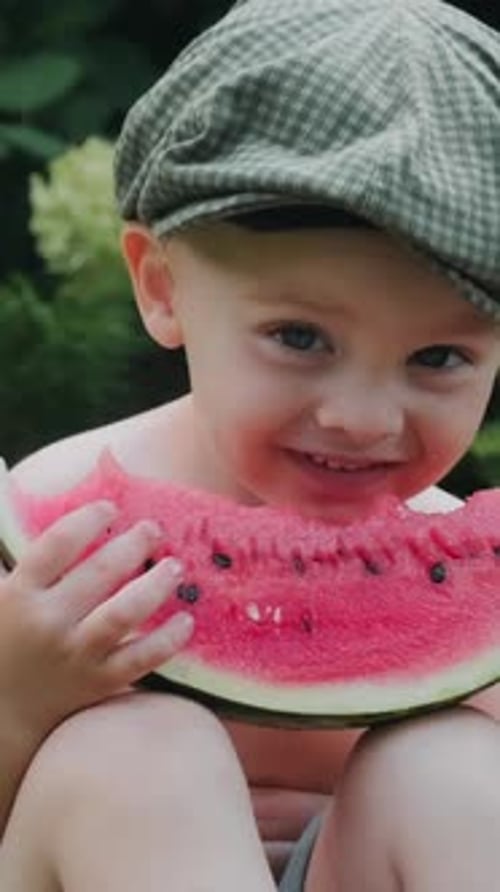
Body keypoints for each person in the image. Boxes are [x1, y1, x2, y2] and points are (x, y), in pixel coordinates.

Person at [2, 0, 500, 889]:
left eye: (438, 357)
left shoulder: (473, 579)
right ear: (161, 290)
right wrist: (13, 702)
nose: (363, 417)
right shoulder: (60, 537)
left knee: (452, 773)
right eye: (301, 338)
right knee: (139, 754)